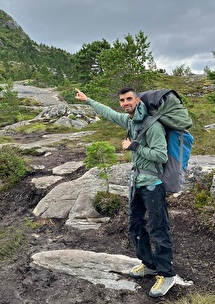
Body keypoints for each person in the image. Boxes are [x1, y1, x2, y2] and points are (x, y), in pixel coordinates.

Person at [75, 86, 176, 298]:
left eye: (129, 99)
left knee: (159, 229)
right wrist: (87, 99)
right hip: (136, 182)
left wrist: (134, 146)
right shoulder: (130, 121)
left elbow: (161, 155)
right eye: (122, 100)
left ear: (138, 100)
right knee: (136, 225)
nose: (125, 103)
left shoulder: (153, 126)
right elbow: (108, 113)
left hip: (153, 184)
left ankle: (166, 274)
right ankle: (148, 264)